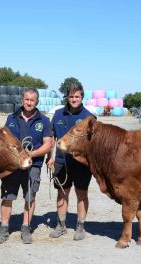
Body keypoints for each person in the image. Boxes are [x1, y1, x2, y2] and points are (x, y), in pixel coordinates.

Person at [0, 88, 53, 244]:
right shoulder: (11, 118)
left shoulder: (44, 121)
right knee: (7, 197)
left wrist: (30, 155)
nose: (29, 102)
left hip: (33, 165)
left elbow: (48, 145)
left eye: (32, 100)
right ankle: (4, 228)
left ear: (37, 102)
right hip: (12, 166)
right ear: (22, 100)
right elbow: (4, 141)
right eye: (26, 99)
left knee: (30, 197)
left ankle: (26, 228)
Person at [47, 83, 96, 240]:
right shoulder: (58, 114)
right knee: (62, 193)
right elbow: (52, 138)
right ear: (67, 97)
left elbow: (94, 143)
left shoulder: (89, 118)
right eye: (71, 96)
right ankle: (61, 225)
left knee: (81, 194)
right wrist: (51, 157)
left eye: (77, 96)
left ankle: (80, 227)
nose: (74, 99)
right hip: (61, 162)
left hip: (81, 164)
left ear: (82, 97)